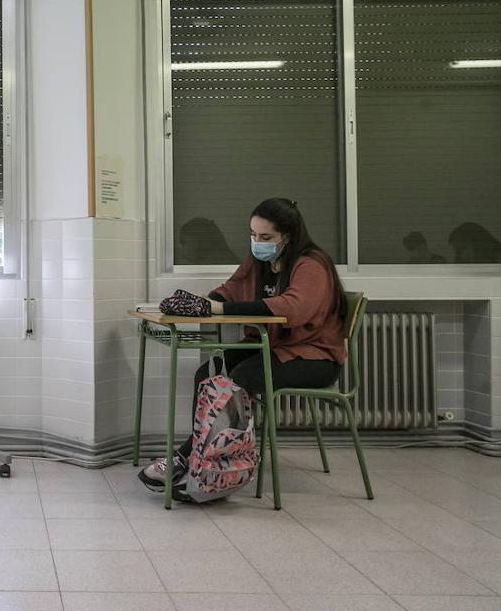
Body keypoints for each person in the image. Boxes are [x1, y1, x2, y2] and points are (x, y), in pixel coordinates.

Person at [140, 198, 347, 495]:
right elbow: (230, 289)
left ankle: (200, 463)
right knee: (208, 373)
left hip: (314, 358)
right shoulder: (259, 261)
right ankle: (202, 459)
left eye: (265, 238)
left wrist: (220, 310)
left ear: (287, 237)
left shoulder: (310, 264)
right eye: (252, 235)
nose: (257, 242)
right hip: (272, 348)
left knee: (237, 381)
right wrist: (204, 304)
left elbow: (294, 309)